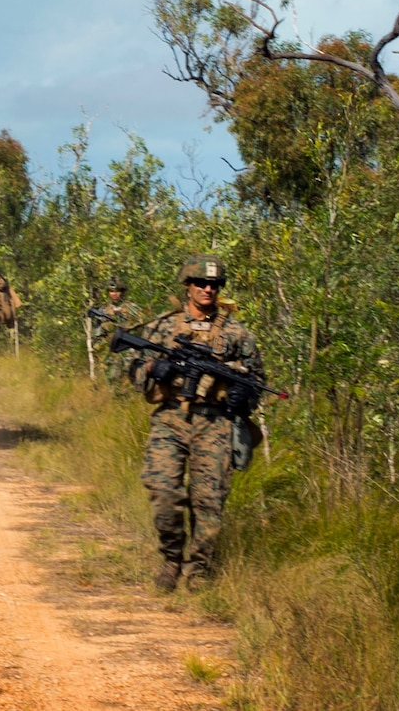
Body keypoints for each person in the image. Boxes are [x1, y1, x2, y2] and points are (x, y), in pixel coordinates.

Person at [125, 253, 266, 593]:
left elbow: (258, 380)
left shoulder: (236, 332)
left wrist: (242, 396)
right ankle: (171, 560)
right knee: (163, 491)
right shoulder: (163, 325)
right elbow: (131, 369)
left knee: (209, 500)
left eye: (215, 285)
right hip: (171, 420)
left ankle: (199, 569)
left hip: (215, 423)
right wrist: (152, 369)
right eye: (201, 283)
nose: (208, 289)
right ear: (187, 284)